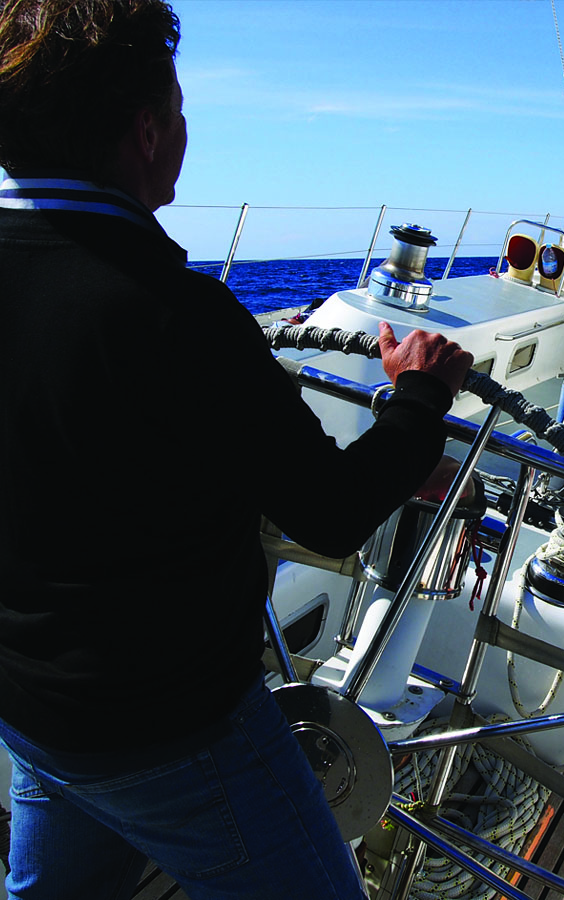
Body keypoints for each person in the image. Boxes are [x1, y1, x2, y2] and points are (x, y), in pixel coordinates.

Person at [0, 0, 473, 897]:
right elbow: (328, 514)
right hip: (177, 735)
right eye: (178, 113)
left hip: (34, 714)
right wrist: (418, 399)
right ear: (146, 132)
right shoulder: (179, 316)